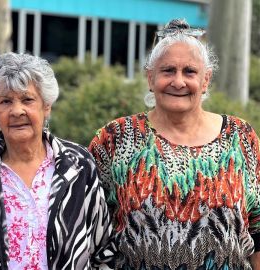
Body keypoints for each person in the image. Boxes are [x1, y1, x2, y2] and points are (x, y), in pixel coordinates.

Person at [88, 18, 260, 269]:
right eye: (168, 70)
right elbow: (89, 228)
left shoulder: (240, 137)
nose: (178, 82)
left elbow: (258, 230)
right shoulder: (116, 138)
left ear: (205, 80)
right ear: (150, 77)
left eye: (189, 71)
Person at [0, 52, 115, 269]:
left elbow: (102, 250)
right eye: (5, 101)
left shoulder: (78, 165)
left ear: (46, 106)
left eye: (27, 99)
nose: (16, 110)